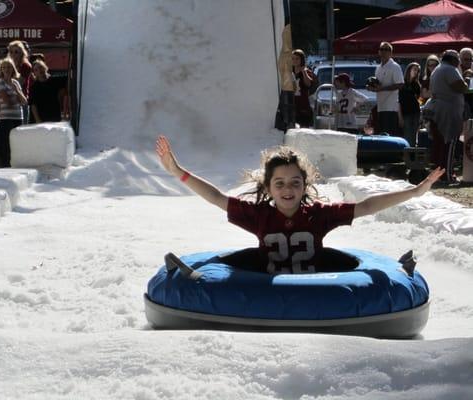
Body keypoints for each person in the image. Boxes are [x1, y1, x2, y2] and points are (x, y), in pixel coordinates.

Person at [155, 135, 444, 274]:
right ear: (268, 188)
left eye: (295, 182)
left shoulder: (319, 215)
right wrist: (178, 171)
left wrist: (415, 192)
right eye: (279, 183)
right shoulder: (258, 215)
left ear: (305, 186)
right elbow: (217, 198)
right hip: (268, 292)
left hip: (315, 290)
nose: (288, 189)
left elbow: (367, 206)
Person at [423, 50, 470, 183]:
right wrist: (466, 79)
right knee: (449, 143)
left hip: (439, 109)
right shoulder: (450, 70)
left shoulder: (438, 69)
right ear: (454, 60)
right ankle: (447, 176)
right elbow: (462, 88)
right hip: (448, 111)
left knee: (439, 144)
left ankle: (438, 175)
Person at [0, 57, 27, 167]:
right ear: (1, 70)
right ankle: (5, 165)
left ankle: (17, 163)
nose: (7, 69)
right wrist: (17, 98)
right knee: (6, 143)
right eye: (4, 67)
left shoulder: (16, 83)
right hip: (6, 117)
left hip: (18, 116)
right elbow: (7, 102)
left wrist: (16, 91)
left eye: (9, 67)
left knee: (18, 142)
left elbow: (24, 101)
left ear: (13, 69)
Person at [367, 42, 404, 136]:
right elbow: (378, 85)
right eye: (382, 49)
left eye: (387, 49)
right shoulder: (378, 68)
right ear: (379, 52)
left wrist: (382, 89)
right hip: (380, 107)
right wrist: (371, 87)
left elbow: (400, 84)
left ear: (391, 53)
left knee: (390, 135)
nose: (384, 51)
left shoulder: (395, 66)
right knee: (381, 135)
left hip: (391, 108)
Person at [7, 40, 32, 123]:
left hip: (21, 101)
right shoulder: (7, 65)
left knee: (22, 131)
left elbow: (18, 83)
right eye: (11, 52)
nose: (13, 54)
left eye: (16, 52)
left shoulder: (25, 66)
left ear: (21, 53)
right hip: (8, 101)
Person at [291, 49, 315, 128]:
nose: (294, 60)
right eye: (293, 58)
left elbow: (308, 84)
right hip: (292, 105)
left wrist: (304, 72)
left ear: (302, 59)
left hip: (303, 105)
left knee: (303, 130)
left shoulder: (307, 72)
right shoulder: (289, 72)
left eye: (297, 58)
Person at [399, 62, 421, 146]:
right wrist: (400, 116)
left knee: (415, 134)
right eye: (414, 70)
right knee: (407, 134)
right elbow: (399, 101)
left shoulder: (416, 85)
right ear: (409, 70)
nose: (416, 72)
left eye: (418, 71)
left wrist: (419, 102)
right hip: (405, 113)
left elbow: (420, 99)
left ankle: (413, 152)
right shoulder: (402, 83)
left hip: (416, 112)